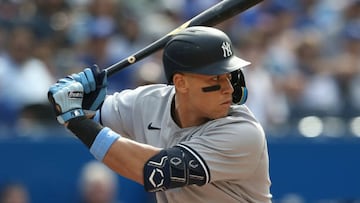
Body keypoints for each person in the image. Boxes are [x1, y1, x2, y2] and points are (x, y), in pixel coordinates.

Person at [48, 26, 272, 202]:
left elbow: (154, 169)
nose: (229, 88)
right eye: (215, 78)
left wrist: (75, 119)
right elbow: (92, 123)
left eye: (229, 76)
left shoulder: (243, 132)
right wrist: (82, 105)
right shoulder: (148, 102)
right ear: (181, 83)